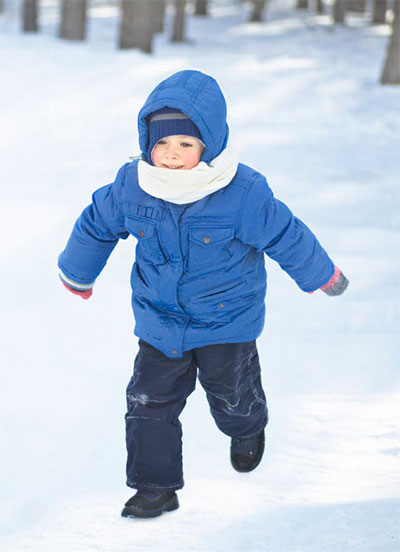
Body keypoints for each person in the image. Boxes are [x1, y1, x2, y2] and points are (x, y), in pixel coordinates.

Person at [58, 70, 349, 519]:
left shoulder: (241, 192)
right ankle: (154, 488)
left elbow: (286, 235)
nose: (172, 156)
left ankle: (247, 427)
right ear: (146, 143)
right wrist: (78, 273)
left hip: (226, 322)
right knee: (147, 403)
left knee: (231, 396)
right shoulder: (133, 185)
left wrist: (321, 274)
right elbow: (96, 224)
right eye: (162, 145)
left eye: (185, 145)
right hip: (160, 321)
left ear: (208, 145)